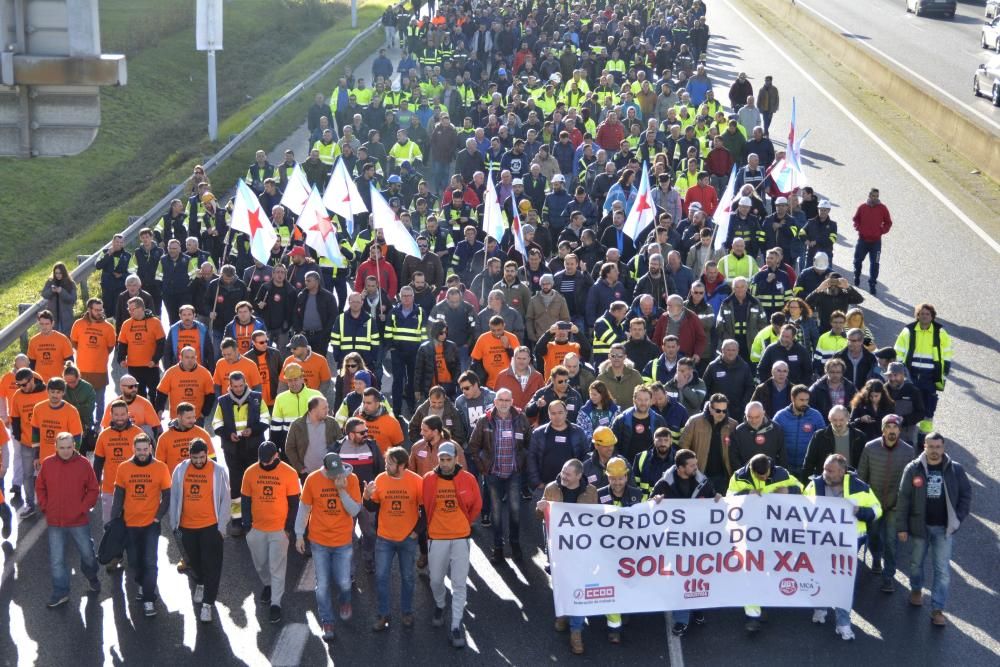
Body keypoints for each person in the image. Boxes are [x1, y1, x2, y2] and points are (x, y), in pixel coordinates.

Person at [896, 433, 972, 626]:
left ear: (944, 447)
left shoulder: (955, 470)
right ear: (924, 447)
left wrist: (958, 519)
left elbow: (965, 496)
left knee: (942, 570)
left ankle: (937, 609)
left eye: (938, 447)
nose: (935, 451)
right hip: (919, 528)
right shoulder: (913, 469)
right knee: (915, 564)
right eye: (931, 447)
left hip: (944, 530)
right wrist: (902, 527)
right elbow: (903, 498)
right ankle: (916, 589)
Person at [804, 454, 882, 641]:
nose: (825, 474)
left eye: (829, 471)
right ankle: (821, 608)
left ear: (842, 472)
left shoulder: (859, 487)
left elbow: (877, 509)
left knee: (843, 584)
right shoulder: (815, 485)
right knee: (821, 576)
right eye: (824, 469)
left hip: (849, 543)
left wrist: (861, 512)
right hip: (822, 541)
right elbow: (802, 507)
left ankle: (843, 623)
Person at [727, 453, 803, 633]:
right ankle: (753, 615)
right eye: (760, 476)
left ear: (770, 467)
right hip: (750, 533)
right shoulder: (739, 477)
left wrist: (790, 491)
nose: (764, 478)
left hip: (775, 533)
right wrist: (746, 494)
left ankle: (764, 603)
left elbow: (802, 490)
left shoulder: (782, 474)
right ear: (752, 470)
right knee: (751, 571)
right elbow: (729, 499)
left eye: (766, 474)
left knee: (772, 569)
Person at [651, 448, 721, 636]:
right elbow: (650, 507)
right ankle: (682, 619)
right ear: (680, 468)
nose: (696, 468)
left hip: (698, 540)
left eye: (695, 464)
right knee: (680, 579)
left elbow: (713, 497)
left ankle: (697, 609)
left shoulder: (702, 481)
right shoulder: (664, 484)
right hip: (675, 542)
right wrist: (655, 501)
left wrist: (717, 498)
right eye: (691, 465)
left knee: (698, 576)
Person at [295, 452, 362, 643]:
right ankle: (327, 621)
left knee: (343, 582)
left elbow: (354, 510)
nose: (335, 476)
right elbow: (304, 508)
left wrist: (342, 490)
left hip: (342, 540)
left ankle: (345, 601)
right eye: (331, 473)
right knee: (322, 584)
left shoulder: (352, 479)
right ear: (324, 468)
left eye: (338, 472)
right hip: (319, 541)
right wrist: (299, 534)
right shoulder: (313, 479)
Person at [536, 458, 598, 655]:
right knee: (561, 583)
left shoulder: (592, 492)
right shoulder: (552, 488)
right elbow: (541, 518)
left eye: (568, 474)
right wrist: (540, 508)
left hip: (582, 549)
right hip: (558, 548)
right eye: (563, 471)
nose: (563, 475)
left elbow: (598, 518)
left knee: (579, 585)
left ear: (579, 476)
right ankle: (562, 612)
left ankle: (576, 631)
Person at [422, 442, 482, 648]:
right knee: (436, 580)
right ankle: (440, 603)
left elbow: (477, 506)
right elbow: (423, 504)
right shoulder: (429, 480)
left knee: (459, 583)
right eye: (442, 459)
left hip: (460, 537)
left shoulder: (468, 479)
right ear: (438, 459)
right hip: (437, 537)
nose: (445, 463)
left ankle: (456, 625)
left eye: (449, 459)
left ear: (456, 459)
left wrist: (465, 523)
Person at [168, 439, 231, 623]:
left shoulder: (218, 471)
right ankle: (200, 583)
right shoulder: (180, 470)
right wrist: (174, 524)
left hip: (211, 528)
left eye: (202, 457)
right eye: (194, 458)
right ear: (189, 455)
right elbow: (175, 497)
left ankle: (207, 604)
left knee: (212, 566)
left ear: (207, 454)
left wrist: (221, 528)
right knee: (193, 562)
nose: (198, 461)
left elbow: (225, 500)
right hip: (186, 527)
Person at [468, 388, 533, 563]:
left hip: (514, 473)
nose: (504, 403)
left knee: (515, 511)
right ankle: (498, 547)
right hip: (493, 474)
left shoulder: (521, 419)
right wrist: (483, 468)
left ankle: (515, 544)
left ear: (512, 402)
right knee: (496, 513)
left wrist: (523, 462)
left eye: (507, 400)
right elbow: (473, 446)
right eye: (500, 400)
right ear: (495, 402)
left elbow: (529, 443)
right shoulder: (485, 420)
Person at [36, 432, 100, 607]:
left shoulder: (84, 464)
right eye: (62, 447)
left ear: (74, 446)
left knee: (87, 555)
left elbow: (93, 490)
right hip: (55, 521)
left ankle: (91, 575)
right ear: (55, 447)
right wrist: (45, 506)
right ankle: (60, 592)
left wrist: (81, 508)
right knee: (57, 560)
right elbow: (40, 487)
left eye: (69, 447)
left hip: (78, 520)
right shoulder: (48, 464)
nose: (65, 451)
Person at [111, 433, 172, 617]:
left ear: (151, 448)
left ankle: (148, 598)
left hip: (150, 525)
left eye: (145, 449)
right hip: (130, 524)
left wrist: (158, 517)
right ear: (133, 449)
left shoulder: (160, 468)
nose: (142, 453)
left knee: (150, 561)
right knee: (135, 561)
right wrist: (114, 521)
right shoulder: (123, 468)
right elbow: (118, 496)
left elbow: (167, 496)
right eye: (139, 450)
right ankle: (142, 583)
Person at [363, 446, 424, 632]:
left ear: (402, 465)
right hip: (384, 538)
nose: (386, 465)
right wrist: (366, 496)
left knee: (408, 577)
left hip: (408, 539)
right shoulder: (381, 479)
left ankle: (406, 612)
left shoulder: (416, 481)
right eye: (387, 462)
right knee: (381, 577)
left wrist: (416, 532)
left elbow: (427, 510)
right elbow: (372, 508)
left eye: (390, 463)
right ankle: (383, 614)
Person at [241, 441, 301, 624]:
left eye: (269, 460)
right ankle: (267, 584)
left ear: (277, 455)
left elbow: (294, 504)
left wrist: (288, 529)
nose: (265, 464)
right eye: (262, 461)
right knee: (260, 564)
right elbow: (245, 499)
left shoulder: (289, 473)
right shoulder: (250, 472)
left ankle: (276, 603)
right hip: (256, 529)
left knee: (277, 567)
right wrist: (247, 525)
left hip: (278, 530)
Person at [857, 415, 915, 594]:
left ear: (899, 430)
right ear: (883, 429)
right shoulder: (870, 448)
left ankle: (888, 576)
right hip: (874, 505)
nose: (892, 430)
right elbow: (861, 477)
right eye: (888, 427)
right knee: (874, 537)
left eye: (895, 427)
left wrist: (904, 506)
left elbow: (910, 483)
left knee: (891, 542)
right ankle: (875, 558)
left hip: (894, 506)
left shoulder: (908, 452)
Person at [213, 372, 270, 536]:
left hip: (253, 448)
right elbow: (216, 423)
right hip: (233, 450)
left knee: (255, 483)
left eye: (240, 386)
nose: (238, 389)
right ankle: (237, 521)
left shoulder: (257, 398)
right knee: (236, 486)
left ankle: (253, 518)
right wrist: (227, 434)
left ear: (245, 383)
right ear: (229, 386)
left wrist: (252, 430)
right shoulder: (222, 401)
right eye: (234, 386)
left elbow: (266, 419)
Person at [594, 456, 643, 644]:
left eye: (620, 478)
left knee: (629, 586)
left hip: (631, 555)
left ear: (626, 476)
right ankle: (613, 628)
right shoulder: (597, 495)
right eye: (612, 478)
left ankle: (626, 610)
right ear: (607, 477)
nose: (617, 482)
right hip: (606, 554)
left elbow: (648, 517)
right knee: (610, 587)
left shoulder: (637, 495)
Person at [894, 303, 952, 440]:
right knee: (908, 403)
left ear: (932, 316)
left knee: (929, 406)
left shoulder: (940, 332)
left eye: (927, 314)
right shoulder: (908, 331)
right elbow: (899, 351)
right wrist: (900, 372)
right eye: (922, 314)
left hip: (930, 376)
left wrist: (943, 375)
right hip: (910, 373)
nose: (924, 316)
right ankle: (905, 432)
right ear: (917, 316)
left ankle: (924, 436)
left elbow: (947, 354)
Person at [680, 393, 738, 493]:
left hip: (723, 477)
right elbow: (683, 446)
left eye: (724, 411)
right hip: (699, 475)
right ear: (710, 409)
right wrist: (690, 468)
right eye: (718, 410)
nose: (722, 414)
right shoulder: (694, 421)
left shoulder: (732, 425)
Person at [772, 385, 826, 480]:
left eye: (807, 400)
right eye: (801, 400)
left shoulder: (816, 416)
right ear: (792, 398)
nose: (804, 403)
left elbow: (823, 440)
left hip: (808, 468)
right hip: (785, 467)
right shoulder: (780, 416)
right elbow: (772, 440)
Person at [286, 396, 343, 480]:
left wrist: (335, 466)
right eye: (324, 408)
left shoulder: (332, 423)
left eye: (327, 407)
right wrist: (300, 468)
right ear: (313, 410)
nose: (328, 410)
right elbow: (289, 448)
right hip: (306, 475)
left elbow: (341, 444)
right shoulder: (297, 425)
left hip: (329, 473)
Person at [803, 405, 868, 477]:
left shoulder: (859, 437)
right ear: (829, 419)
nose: (838, 423)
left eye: (841, 420)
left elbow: (865, 465)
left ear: (848, 418)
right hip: (826, 481)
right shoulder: (819, 436)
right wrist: (806, 484)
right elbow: (809, 462)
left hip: (851, 481)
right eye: (834, 420)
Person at [851, 188, 892, 295]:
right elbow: (856, 219)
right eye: (873, 196)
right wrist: (859, 228)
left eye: (877, 196)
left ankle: (872, 284)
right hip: (863, 240)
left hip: (876, 242)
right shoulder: (862, 207)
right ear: (869, 195)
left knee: (875, 263)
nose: (875, 198)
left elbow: (888, 222)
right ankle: (857, 275)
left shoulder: (883, 208)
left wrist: (881, 231)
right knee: (857, 260)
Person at [730, 401, 786, 471]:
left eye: (757, 417)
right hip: (747, 475)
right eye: (749, 417)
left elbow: (782, 454)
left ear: (763, 413)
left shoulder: (775, 428)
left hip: (771, 474)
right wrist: (743, 473)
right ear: (745, 414)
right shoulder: (738, 431)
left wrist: (778, 472)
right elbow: (734, 456)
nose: (754, 421)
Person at [28, 310, 74, 382]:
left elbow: (70, 362)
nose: (44, 327)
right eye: (42, 324)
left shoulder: (63, 339)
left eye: (47, 324)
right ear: (38, 324)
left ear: (52, 324)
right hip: (40, 382)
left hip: (58, 381)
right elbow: (31, 364)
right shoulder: (33, 340)